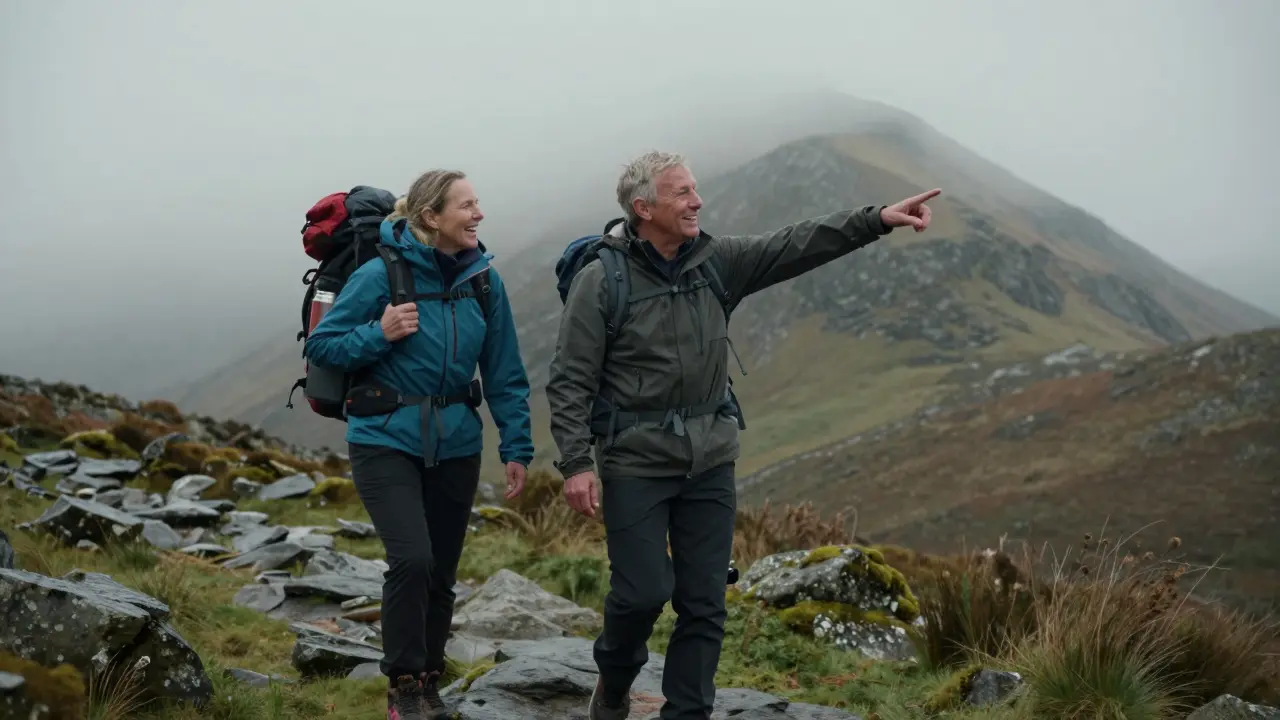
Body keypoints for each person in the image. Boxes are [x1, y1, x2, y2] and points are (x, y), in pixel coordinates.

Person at [545, 150, 939, 720]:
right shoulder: (601, 281)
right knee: (642, 593)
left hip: (710, 459)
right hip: (635, 462)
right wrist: (577, 463)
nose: (697, 201)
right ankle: (614, 678)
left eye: (695, 190)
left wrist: (876, 219)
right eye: (681, 193)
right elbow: (570, 378)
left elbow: (794, 245)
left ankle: (687, 714)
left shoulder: (716, 262)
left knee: (704, 603)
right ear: (643, 207)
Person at [304, 169, 534, 720]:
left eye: (479, 203)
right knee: (412, 558)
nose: (479, 214)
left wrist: (516, 448)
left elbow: (505, 372)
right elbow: (324, 346)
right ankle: (403, 686)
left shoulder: (483, 280)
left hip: (456, 442)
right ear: (432, 217)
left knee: (442, 572)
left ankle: (430, 681)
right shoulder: (382, 273)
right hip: (384, 438)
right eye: (467, 205)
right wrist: (377, 333)